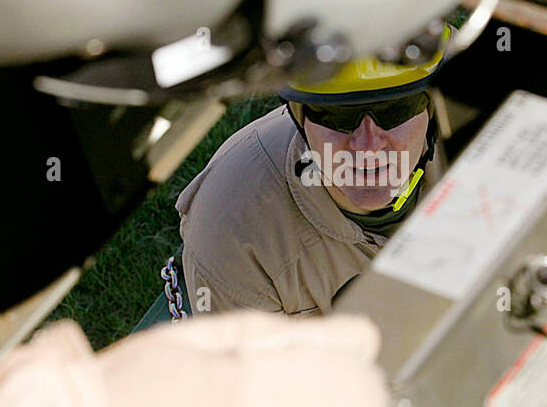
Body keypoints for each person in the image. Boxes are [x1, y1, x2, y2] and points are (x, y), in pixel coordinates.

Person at [176, 55, 447, 316]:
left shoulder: (478, 137)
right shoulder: (234, 241)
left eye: (395, 110)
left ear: (432, 107)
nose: (368, 147)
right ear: (299, 117)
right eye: (337, 116)